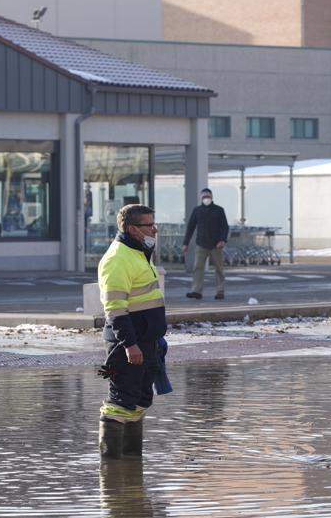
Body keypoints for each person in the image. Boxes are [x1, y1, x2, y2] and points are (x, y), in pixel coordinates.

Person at [97, 204, 167, 460]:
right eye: (149, 225)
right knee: (121, 402)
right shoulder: (118, 259)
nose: (155, 230)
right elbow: (114, 309)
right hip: (127, 344)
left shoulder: (137, 252)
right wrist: (130, 344)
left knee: (140, 399)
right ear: (132, 229)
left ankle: (130, 466)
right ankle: (112, 467)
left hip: (145, 340)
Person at [183, 188, 229, 300]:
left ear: (212, 197)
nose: (206, 199)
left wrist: (222, 240)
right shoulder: (197, 210)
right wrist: (186, 243)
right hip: (201, 244)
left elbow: (225, 227)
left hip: (216, 245)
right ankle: (196, 291)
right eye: (204, 197)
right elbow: (190, 227)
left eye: (208, 196)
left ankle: (220, 291)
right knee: (198, 268)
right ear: (201, 198)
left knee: (219, 269)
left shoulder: (219, 210)